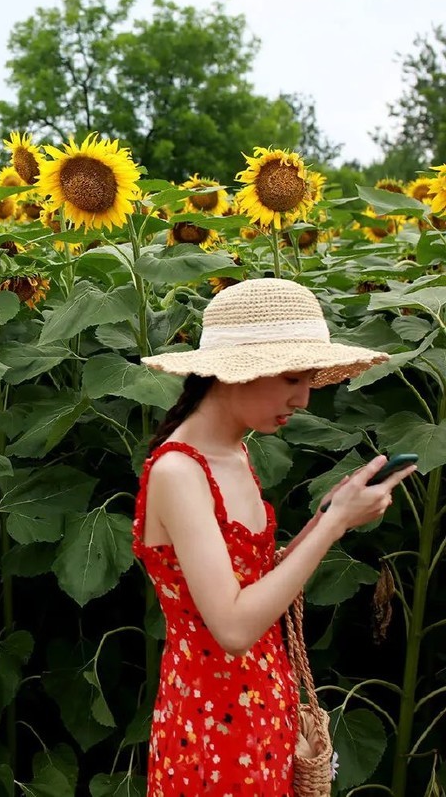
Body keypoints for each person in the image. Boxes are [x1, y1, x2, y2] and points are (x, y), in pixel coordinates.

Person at [134, 277, 415, 796]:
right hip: (212, 723)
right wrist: (331, 527)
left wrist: (331, 514)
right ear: (238, 373)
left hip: (266, 704)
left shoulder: (234, 450)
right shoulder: (179, 471)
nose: (304, 398)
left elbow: (251, 578)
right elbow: (234, 627)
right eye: (292, 377)